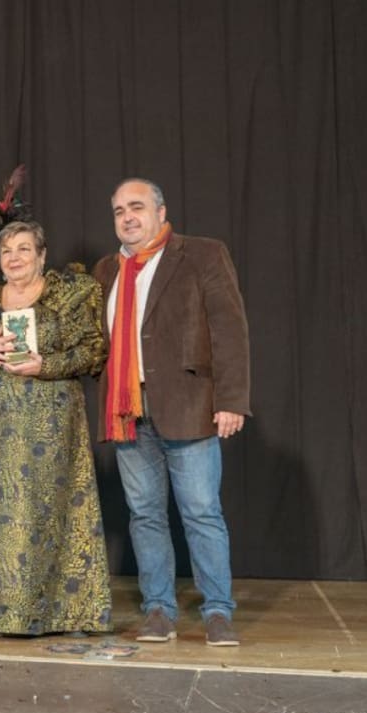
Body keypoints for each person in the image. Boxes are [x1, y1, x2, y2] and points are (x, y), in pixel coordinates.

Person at [0, 174, 112, 636]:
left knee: (49, 514)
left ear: (42, 255)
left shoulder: (69, 294)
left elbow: (93, 351)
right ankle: (1, 612)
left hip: (52, 422)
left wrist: (46, 364)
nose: (14, 257)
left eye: (24, 249)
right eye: (6, 250)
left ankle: (59, 612)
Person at [93, 177, 250, 647]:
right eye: (119, 210)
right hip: (127, 411)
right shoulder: (106, 270)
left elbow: (229, 329)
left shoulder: (201, 254)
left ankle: (218, 610)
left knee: (201, 513)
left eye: (136, 207)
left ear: (161, 212)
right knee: (144, 514)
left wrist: (231, 399)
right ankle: (158, 609)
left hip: (189, 405)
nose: (127, 217)